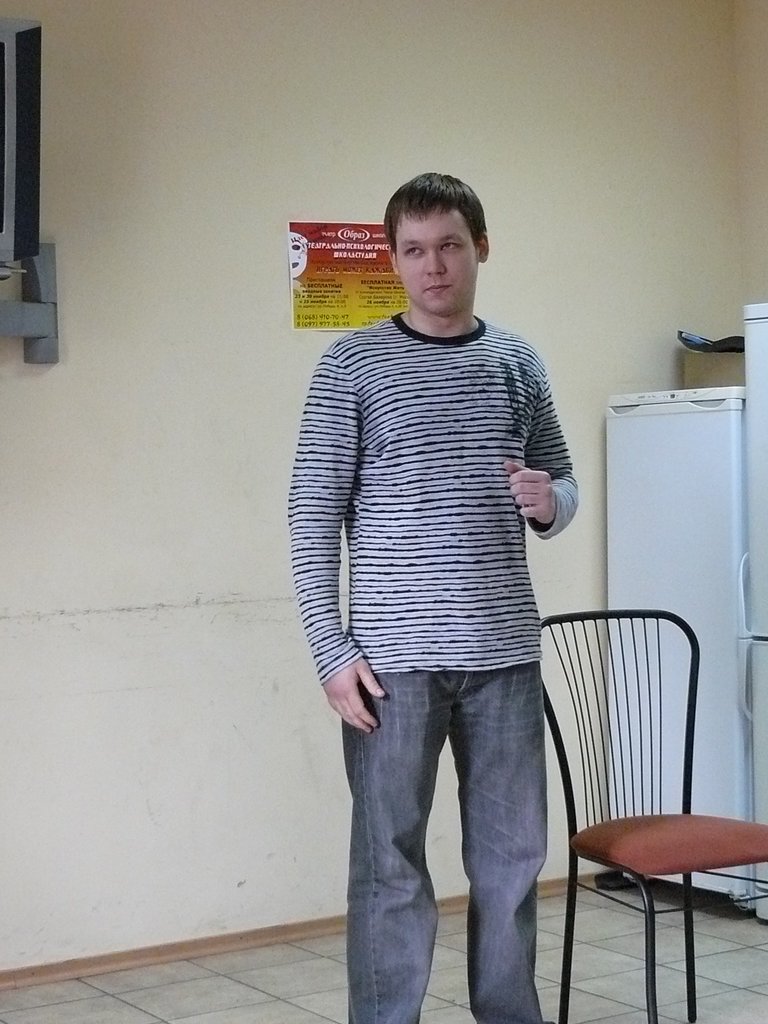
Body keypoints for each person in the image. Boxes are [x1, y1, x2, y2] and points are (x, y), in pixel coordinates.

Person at [288, 172, 577, 1024]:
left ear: (480, 247)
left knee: (513, 864)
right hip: (391, 669)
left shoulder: (517, 361)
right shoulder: (351, 365)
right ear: (393, 260)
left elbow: (561, 481)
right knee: (390, 867)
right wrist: (331, 650)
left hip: (505, 660)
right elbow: (312, 512)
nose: (434, 266)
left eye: (449, 245)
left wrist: (551, 502)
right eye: (413, 250)